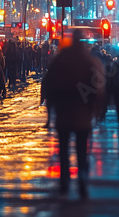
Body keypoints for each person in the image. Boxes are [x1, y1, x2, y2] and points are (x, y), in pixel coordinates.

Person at [43, 37, 105, 199]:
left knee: (63, 149)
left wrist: (52, 106)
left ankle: (64, 181)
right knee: (81, 149)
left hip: (63, 112)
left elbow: (49, 83)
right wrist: (97, 109)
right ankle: (82, 180)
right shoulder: (90, 61)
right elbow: (98, 87)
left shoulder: (60, 60)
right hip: (83, 113)